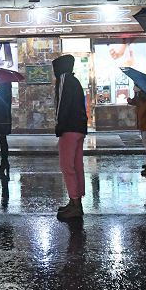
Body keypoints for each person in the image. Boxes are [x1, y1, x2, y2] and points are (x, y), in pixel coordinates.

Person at [53, 54, 87, 220]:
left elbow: (61, 106)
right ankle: (76, 202)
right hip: (79, 128)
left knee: (67, 166)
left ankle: (74, 203)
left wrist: (59, 125)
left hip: (69, 128)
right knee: (76, 165)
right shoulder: (75, 81)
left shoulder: (64, 79)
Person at [127, 89, 146, 177]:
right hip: (143, 123)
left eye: (135, 86)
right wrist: (131, 101)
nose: (134, 88)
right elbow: (136, 102)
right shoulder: (140, 95)